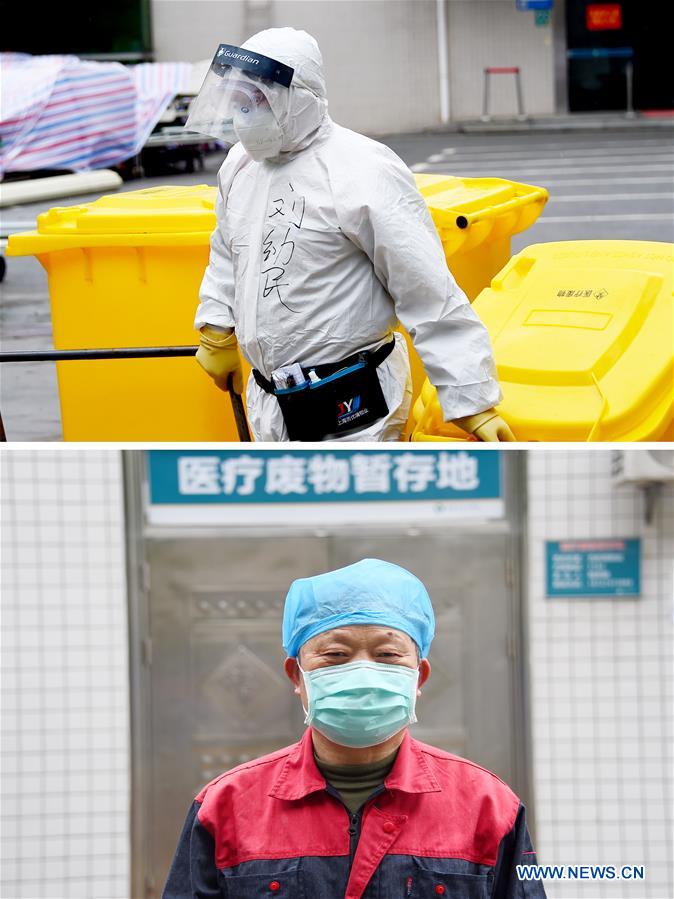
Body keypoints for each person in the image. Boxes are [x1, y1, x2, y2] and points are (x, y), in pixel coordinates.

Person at [188, 28, 515, 442]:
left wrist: (472, 400)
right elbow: (228, 251)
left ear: (299, 97)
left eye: (257, 101)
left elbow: (426, 290)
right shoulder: (240, 165)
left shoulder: (362, 168)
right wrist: (216, 325)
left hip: (354, 403)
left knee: (355, 504)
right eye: (238, 101)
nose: (243, 116)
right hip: (269, 400)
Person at [162, 558, 545, 898]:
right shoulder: (225, 806)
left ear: (418, 676)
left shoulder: (487, 806)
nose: (363, 672)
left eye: (387, 654)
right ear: (297, 674)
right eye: (336, 655)